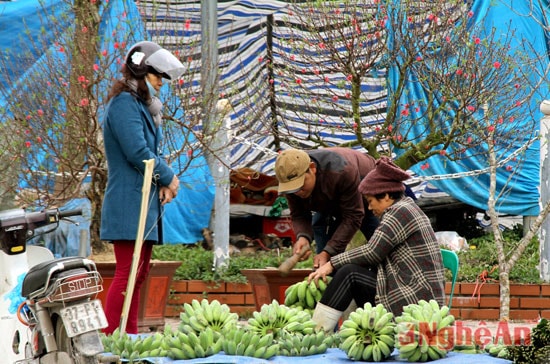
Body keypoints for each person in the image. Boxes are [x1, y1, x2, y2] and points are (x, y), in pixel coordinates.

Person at [100, 41, 184, 334]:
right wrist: (168, 177)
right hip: (128, 203)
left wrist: (162, 182)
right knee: (127, 273)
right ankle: (111, 339)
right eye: (156, 75)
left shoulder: (139, 105)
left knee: (139, 273)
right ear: (140, 72)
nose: (161, 82)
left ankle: (131, 339)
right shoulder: (124, 104)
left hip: (142, 202)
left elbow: (149, 153)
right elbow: (138, 152)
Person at [307, 156, 446, 332]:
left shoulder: (401, 212)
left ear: (386, 196)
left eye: (371, 201)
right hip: (406, 288)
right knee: (352, 273)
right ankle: (353, 331)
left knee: (349, 274)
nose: (370, 209)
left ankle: (317, 332)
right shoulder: (403, 208)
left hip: (415, 299)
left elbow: (373, 251)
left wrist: (331, 264)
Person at [275, 147, 379, 269]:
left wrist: (328, 252)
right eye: (292, 189)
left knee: (379, 249)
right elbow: (299, 214)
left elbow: (353, 216)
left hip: (367, 194)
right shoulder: (291, 176)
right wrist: (303, 237)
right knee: (323, 262)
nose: (297, 192)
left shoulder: (342, 170)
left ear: (312, 168)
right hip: (331, 199)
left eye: (301, 185)